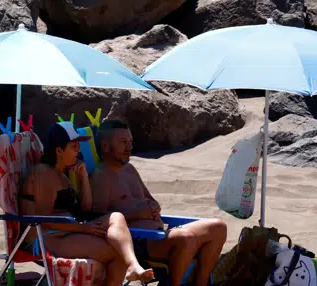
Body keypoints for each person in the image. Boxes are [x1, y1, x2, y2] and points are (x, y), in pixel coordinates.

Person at [91, 119, 229, 286]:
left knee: (218, 227)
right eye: (123, 142)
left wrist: (153, 207)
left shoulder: (129, 170)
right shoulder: (101, 177)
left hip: (159, 234)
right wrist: (138, 214)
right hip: (140, 242)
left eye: (130, 142)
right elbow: (98, 220)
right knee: (185, 238)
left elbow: (151, 200)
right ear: (105, 146)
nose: (129, 147)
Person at [21, 122, 156, 286]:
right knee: (116, 253)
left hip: (66, 230)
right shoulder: (43, 173)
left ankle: (133, 264)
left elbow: (85, 209)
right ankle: (131, 265)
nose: (79, 150)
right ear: (59, 151)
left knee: (116, 217)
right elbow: (44, 220)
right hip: (44, 238)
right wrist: (83, 228)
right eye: (74, 146)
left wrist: (83, 177)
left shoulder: (63, 176)